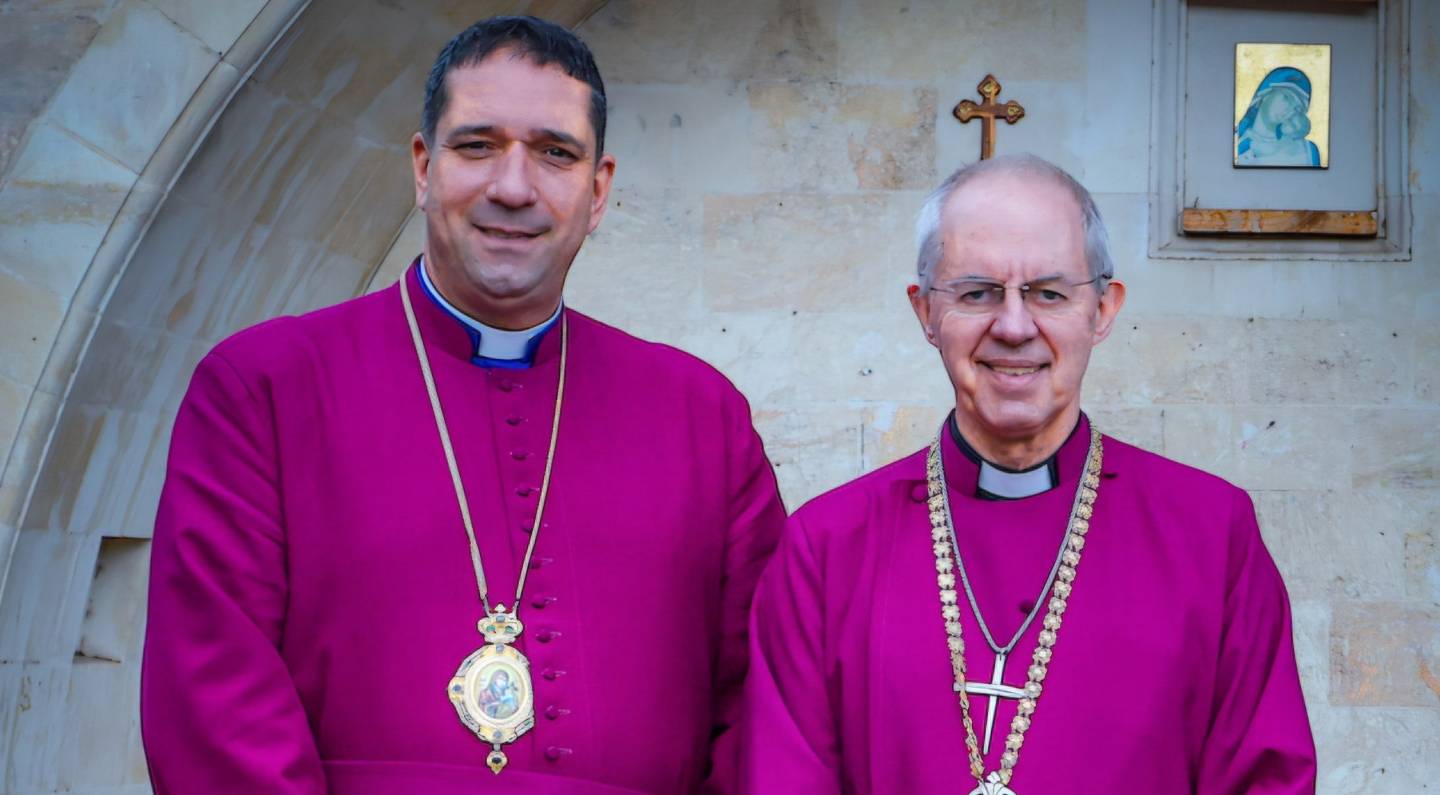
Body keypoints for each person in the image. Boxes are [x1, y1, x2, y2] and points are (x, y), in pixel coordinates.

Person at [141, 16, 785, 795]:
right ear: (422, 167)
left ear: (599, 189)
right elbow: (214, 704)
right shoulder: (261, 389)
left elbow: (762, 713)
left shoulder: (702, 418)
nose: (513, 188)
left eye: (556, 153)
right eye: (477, 145)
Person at [742, 154, 1316, 794]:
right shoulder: (825, 547)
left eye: (1048, 293)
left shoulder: (1212, 534)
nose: (1014, 327)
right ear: (926, 312)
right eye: (977, 292)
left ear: (1102, 310)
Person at [1236, 66, 1322, 167]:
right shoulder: (1237, 144)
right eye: (1287, 98)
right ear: (1265, 94)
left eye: (1297, 109)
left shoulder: (1307, 151)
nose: (1290, 110)